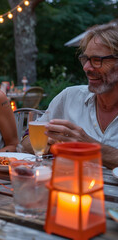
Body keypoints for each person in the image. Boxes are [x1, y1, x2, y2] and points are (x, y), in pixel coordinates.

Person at [21, 22, 118, 170]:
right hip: (68, 188)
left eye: (97, 60)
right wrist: (54, 147)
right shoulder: (69, 97)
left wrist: (89, 146)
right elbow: (27, 140)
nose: (86, 67)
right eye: (85, 59)